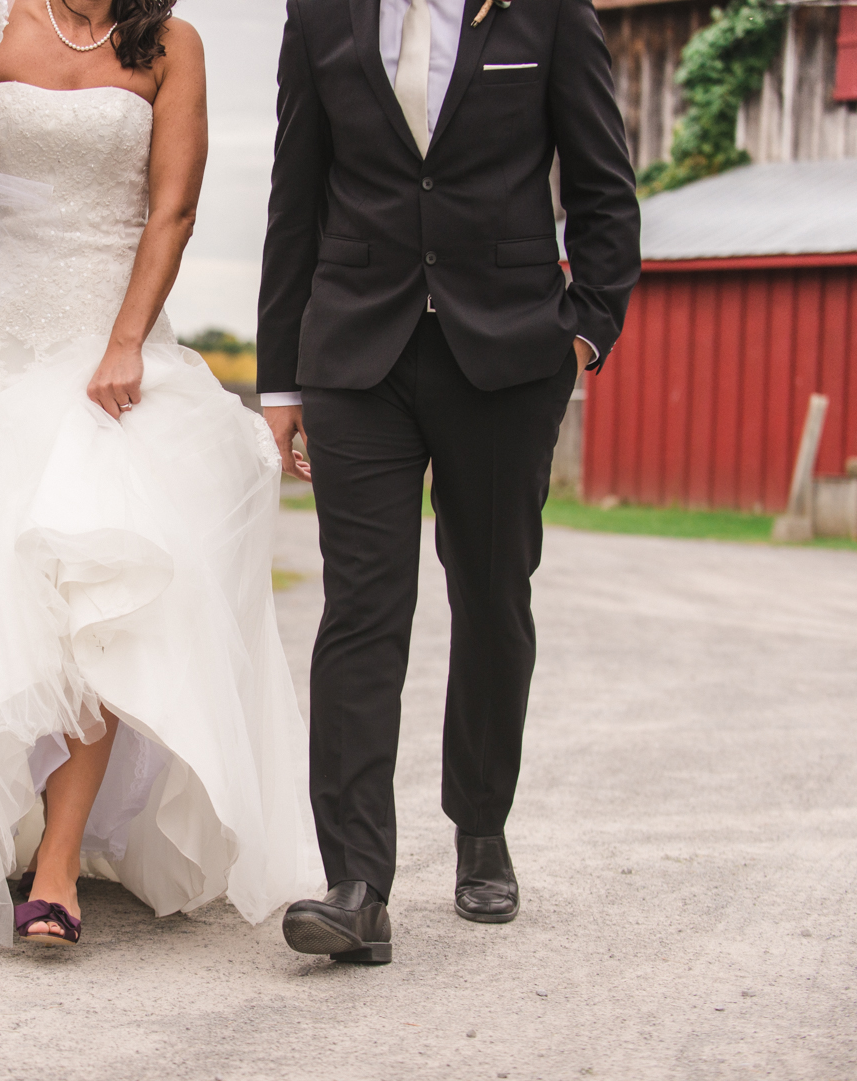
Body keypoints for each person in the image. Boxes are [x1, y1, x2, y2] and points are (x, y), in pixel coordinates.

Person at [0, 0, 322, 952]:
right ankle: (2, 820)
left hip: (108, 352)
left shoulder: (173, 45)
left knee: (100, 586)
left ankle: (56, 862)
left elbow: (173, 204)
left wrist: (126, 341)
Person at [258, 0, 640, 963]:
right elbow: (294, 195)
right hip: (357, 354)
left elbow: (604, 184)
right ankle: (357, 883)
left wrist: (587, 328)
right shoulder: (320, 15)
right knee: (362, 608)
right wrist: (280, 378)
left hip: (509, 356)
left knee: (492, 597)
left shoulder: (549, 13)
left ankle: (481, 825)